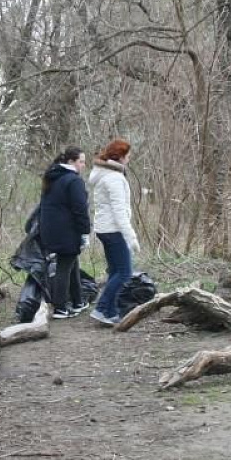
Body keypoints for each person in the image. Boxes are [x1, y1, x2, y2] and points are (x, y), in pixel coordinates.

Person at [87, 138, 140, 326]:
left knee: (115, 271)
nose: (130, 159)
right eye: (128, 156)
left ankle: (110, 312)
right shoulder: (114, 178)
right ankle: (101, 309)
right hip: (114, 230)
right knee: (125, 272)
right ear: (121, 157)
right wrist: (131, 236)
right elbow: (119, 211)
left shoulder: (104, 174)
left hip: (105, 229)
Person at [38, 146, 91, 320]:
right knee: (64, 266)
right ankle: (60, 308)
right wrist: (85, 233)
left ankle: (78, 302)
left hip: (51, 230)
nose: (83, 165)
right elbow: (80, 209)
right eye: (81, 161)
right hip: (66, 232)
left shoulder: (53, 177)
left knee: (71, 262)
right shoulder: (73, 180)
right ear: (70, 162)